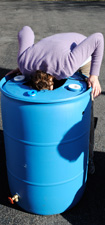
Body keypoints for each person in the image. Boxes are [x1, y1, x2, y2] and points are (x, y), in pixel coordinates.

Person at [6, 26, 104, 174]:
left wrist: (94, 76)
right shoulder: (24, 63)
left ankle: (89, 159)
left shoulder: (67, 66)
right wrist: (23, 67)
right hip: (55, 47)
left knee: (87, 106)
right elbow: (26, 30)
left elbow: (98, 37)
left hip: (79, 49)